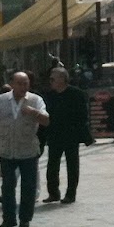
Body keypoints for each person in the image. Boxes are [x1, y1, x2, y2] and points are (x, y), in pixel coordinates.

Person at [0, 71, 48, 227]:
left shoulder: (35, 100)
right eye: (19, 83)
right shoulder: (0, 101)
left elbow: (46, 120)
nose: (23, 87)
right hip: (7, 150)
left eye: (25, 83)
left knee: (28, 187)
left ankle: (25, 218)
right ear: (12, 84)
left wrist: (34, 112)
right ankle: (9, 219)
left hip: (28, 151)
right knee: (7, 186)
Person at [41, 66, 93, 204]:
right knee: (52, 165)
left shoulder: (76, 94)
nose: (51, 80)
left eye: (53, 78)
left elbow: (83, 115)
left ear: (62, 79)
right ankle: (53, 193)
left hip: (71, 134)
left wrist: (80, 131)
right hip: (54, 134)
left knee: (72, 165)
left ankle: (71, 194)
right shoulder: (49, 96)